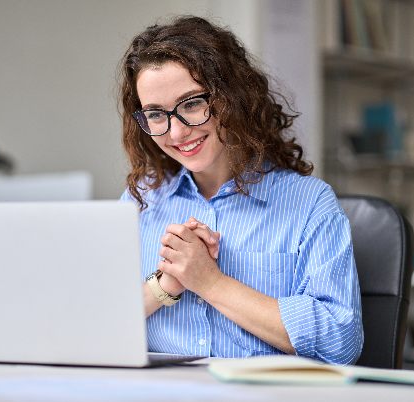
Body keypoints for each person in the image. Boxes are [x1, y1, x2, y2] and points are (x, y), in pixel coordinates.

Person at [119, 16, 363, 364]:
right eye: (156, 114)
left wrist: (210, 282)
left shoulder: (309, 203)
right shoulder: (139, 202)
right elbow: (95, 327)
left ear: (233, 97)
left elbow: (340, 343)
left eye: (191, 104)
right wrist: (164, 286)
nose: (176, 134)